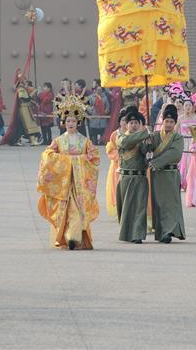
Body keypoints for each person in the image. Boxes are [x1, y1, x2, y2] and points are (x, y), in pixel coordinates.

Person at [36, 94, 100, 250]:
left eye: (73, 121)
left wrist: (79, 160)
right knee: (65, 210)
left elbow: (95, 157)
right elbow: (47, 155)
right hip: (63, 184)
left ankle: (74, 237)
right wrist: (67, 161)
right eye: (68, 121)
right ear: (64, 122)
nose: (71, 123)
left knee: (77, 210)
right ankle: (69, 237)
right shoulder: (58, 141)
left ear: (78, 122)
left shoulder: (85, 141)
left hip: (79, 184)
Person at [145, 104, 186, 243]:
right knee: (159, 204)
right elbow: (146, 150)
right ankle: (162, 232)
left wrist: (156, 162)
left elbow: (175, 154)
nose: (168, 124)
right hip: (158, 175)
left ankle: (169, 230)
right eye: (166, 121)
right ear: (162, 121)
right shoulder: (155, 136)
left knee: (171, 204)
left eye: (171, 122)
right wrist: (147, 141)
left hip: (171, 174)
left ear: (175, 123)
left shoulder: (178, 138)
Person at [115, 110, 151, 244]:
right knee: (127, 208)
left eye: (136, 123)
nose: (134, 125)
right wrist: (145, 133)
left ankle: (137, 234)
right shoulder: (121, 137)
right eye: (131, 123)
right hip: (126, 178)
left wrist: (148, 145)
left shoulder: (143, 138)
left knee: (140, 207)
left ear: (140, 124)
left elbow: (148, 152)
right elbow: (127, 143)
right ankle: (127, 233)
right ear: (126, 125)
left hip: (140, 177)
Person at [104, 106, 136, 219]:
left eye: (126, 120)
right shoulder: (115, 134)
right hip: (117, 165)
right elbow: (110, 149)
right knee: (116, 188)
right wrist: (120, 156)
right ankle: (120, 210)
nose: (124, 123)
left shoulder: (132, 133)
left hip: (130, 165)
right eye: (122, 120)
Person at [178, 97, 196, 207]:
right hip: (184, 142)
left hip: (193, 142)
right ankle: (183, 183)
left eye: (189, 105)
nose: (188, 107)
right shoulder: (180, 118)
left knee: (191, 164)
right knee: (183, 164)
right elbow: (177, 132)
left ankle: (191, 184)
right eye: (186, 105)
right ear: (183, 107)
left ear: (192, 107)